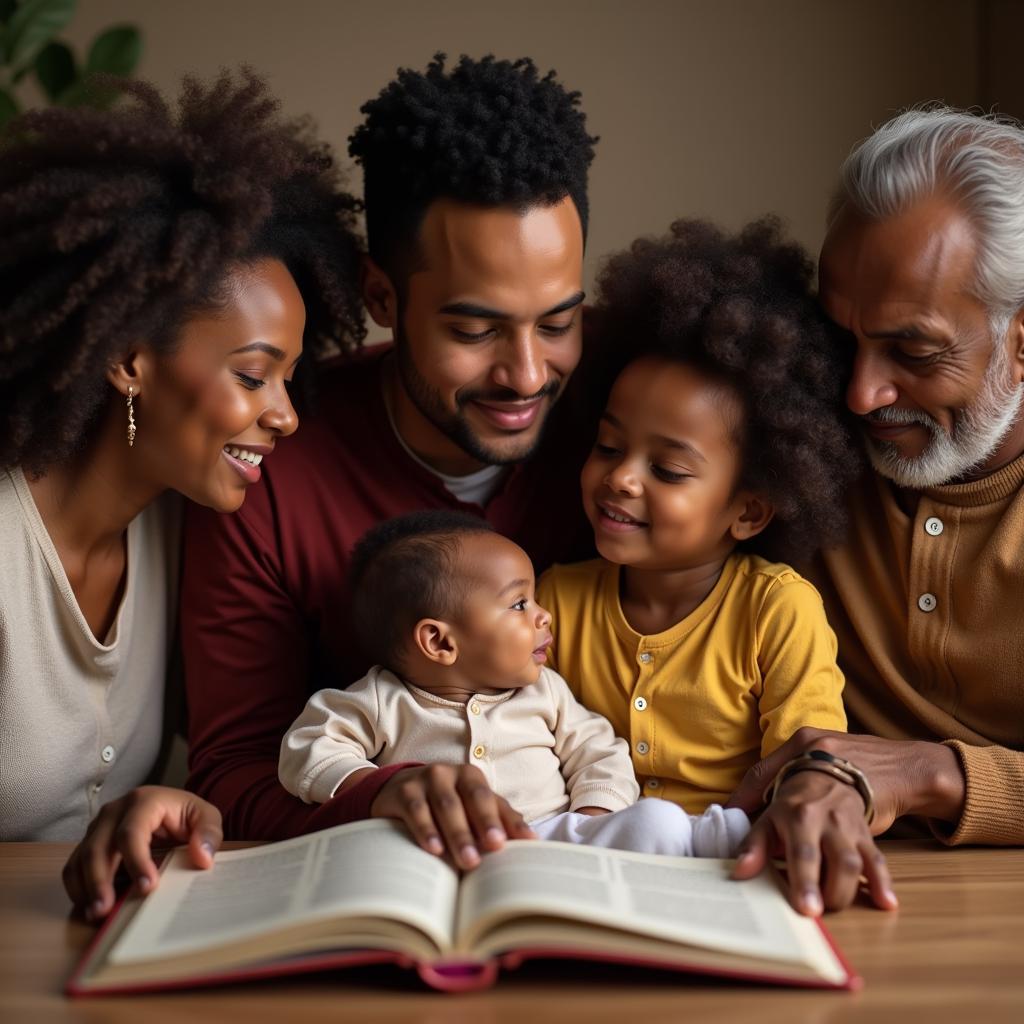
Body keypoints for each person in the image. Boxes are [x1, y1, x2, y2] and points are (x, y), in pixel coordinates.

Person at [180, 55, 599, 851]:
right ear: (381, 298)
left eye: (557, 322)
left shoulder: (622, 433)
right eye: (474, 331)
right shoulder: (272, 459)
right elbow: (232, 769)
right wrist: (384, 794)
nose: (527, 375)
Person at [0, 69, 365, 917]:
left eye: (291, 378)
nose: (285, 417)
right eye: (252, 375)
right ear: (129, 358)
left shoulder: (183, 524)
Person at [729, 106, 1024, 916]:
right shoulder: (788, 438)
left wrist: (932, 773)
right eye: (842, 341)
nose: (861, 394)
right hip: (804, 897)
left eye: (915, 352)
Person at [536, 218, 873, 894]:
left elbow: (804, 761)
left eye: (668, 469)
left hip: (732, 866)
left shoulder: (777, 608)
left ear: (748, 509)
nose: (622, 479)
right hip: (592, 862)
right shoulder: (554, 600)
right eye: (609, 447)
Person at [279, 511, 750, 865]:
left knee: (657, 820)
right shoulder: (382, 699)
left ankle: (719, 835)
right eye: (520, 603)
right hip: (441, 847)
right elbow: (307, 747)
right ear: (440, 641)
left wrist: (592, 817)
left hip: (552, 839)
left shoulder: (546, 692)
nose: (544, 615)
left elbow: (599, 752)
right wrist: (377, 787)